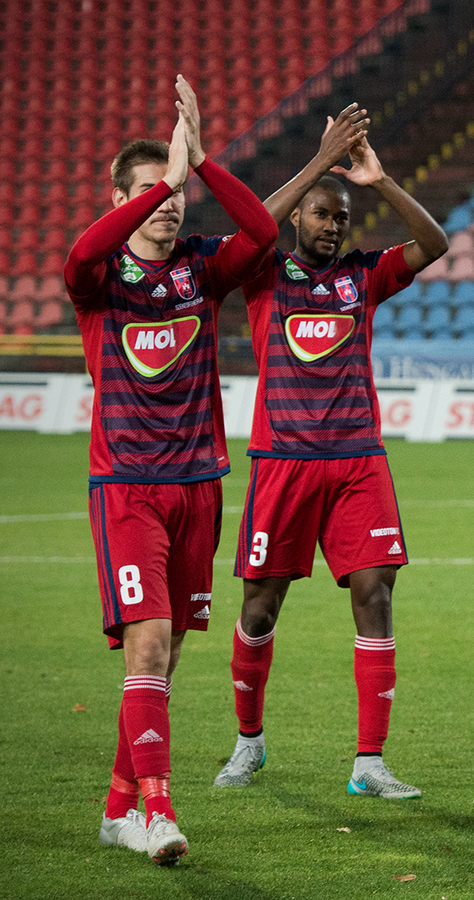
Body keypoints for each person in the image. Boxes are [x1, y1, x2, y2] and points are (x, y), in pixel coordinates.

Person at [64, 76, 279, 865]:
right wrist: (161, 186)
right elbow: (81, 252)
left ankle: (117, 810)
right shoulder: (99, 281)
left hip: (199, 487)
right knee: (149, 645)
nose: (170, 203)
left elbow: (262, 232)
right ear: (121, 199)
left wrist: (204, 163)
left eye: (177, 192)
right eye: (152, 192)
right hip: (127, 487)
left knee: (168, 652)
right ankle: (157, 812)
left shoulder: (201, 267)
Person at [212, 111, 449, 800]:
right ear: (297, 217)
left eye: (341, 217)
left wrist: (380, 181)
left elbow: (434, 243)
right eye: (321, 213)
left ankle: (369, 763)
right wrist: (319, 163)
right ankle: (248, 743)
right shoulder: (262, 271)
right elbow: (250, 227)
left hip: (356, 461)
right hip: (282, 460)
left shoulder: (363, 276)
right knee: (261, 609)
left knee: (376, 594)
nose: (332, 225)